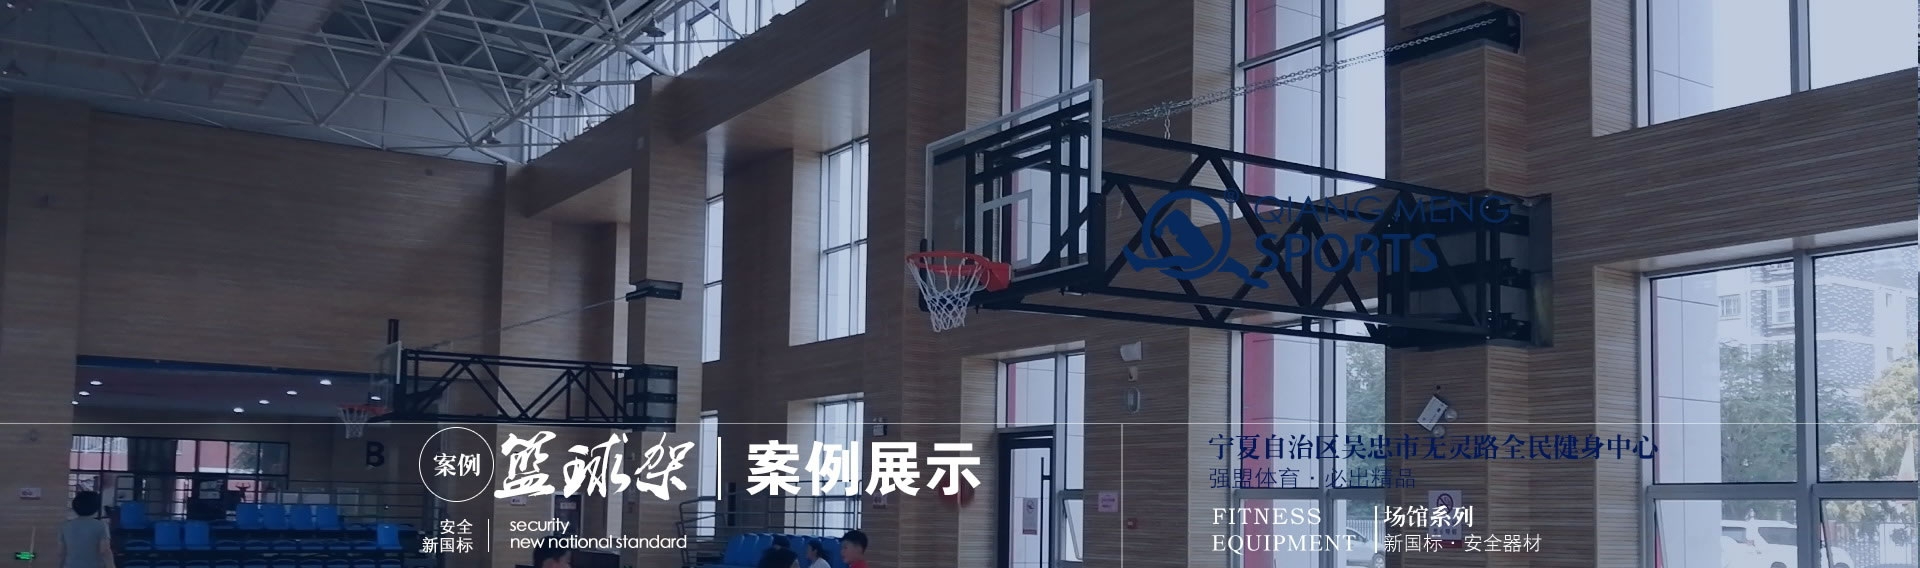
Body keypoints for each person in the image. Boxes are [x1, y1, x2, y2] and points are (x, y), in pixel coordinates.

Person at [59, 491, 114, 568]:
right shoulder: (101, 525)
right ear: (96, 507)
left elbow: (61, 552)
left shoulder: (65, 526)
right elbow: (105, 551)